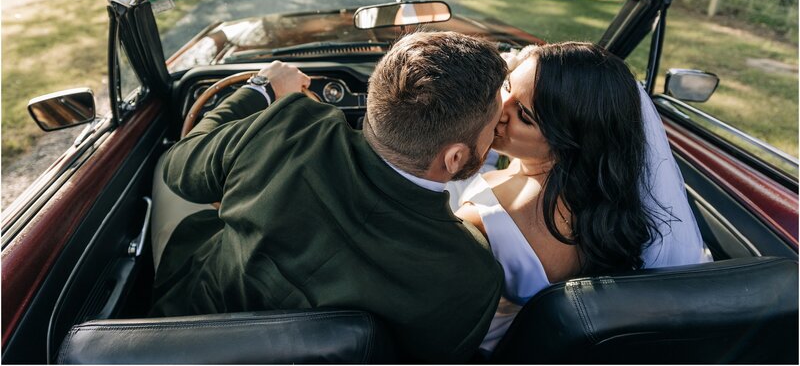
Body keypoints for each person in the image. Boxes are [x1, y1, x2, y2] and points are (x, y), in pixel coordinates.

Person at [149, 31, 509, 363]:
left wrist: (259, 89)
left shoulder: (290, 125)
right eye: (493, 129)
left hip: (171, 338)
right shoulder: (471, 279)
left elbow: (179, 168)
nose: (496, 134)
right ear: (455, 157)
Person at [447, 42, 711, 354]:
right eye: (507, 85)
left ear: (568, 141)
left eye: (523, 116)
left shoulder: (486, 216)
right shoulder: (617, 205)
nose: (500, 109)